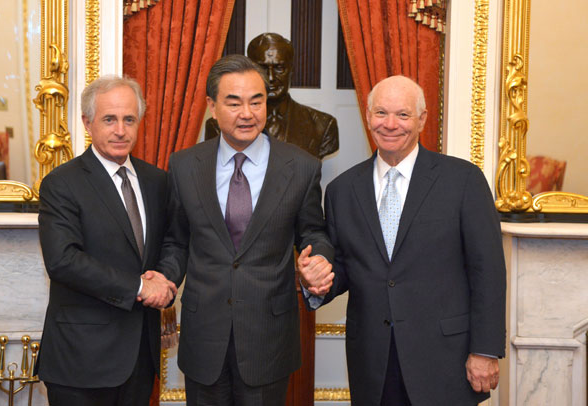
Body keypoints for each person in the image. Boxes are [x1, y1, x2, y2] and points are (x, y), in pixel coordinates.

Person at [298, 75, 506, 405]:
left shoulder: (462, 180)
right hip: (372, 361)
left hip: (445, 359)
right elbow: (344, 268)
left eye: (403, 115)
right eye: (381, 113)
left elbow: (488, 272)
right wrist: (316, 281)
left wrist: (484, 350)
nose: (390, 124)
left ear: (422, 119)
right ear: (368, 117)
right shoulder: (342, 191)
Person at [156, 54, 334, 405]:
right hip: (204, 336)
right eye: (234, 103)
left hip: (269, 338)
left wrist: (320, 261)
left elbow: (314, 233)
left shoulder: (301, 167)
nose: (248, 113)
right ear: (211, 106)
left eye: (257, 101)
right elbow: (177, 242)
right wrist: (165, 277)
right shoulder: (184, 165)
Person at [37, 75, 178, 406]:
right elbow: (63, 260)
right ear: (87, 123)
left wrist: (166, 278)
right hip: (80, 360)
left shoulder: (157, 181)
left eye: (129, 119)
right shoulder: (61, 183)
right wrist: (141, 288)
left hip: (140, 359)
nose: (121, 130)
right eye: (109, 119)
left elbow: (173, 241)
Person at [205, 32, 339, 159]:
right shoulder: (217, 125)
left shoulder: (322, 125)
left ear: (291, 69)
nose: (270, 77)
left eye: (279, 68)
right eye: (262, 68)